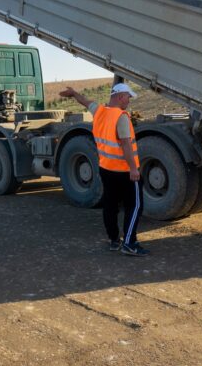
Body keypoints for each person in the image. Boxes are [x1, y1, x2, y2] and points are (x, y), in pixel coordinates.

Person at [58, 82, 148, 256]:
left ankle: (114, 240)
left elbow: (86, 102)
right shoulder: (121, 117)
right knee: (135, 205)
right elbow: (126, 145)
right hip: (124, 171)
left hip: (106, 168)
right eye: (128, 97)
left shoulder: (99, 111)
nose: (129, 101)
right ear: (121, 96)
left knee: (110, 205)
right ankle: (129, 243)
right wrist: (133, 169)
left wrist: (74, 93)